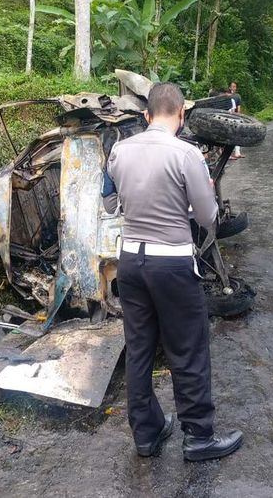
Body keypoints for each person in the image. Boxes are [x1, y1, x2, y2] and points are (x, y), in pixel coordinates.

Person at [102, 82, 243, 461]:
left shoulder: (118, 150)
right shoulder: (187, 155)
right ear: (181, 115)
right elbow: (207, 216)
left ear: (147, 115)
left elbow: (111, 204)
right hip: (173, 264)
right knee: (187, 349)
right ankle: (198, 437)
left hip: (130, 262)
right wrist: (205, 192)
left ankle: (146, 435)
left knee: (140, 348)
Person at [229, 81, 245, 159]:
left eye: (235, 86)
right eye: (232, 86)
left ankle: (237, 153)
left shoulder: (237, 96)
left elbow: (238, 107)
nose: (233, 88)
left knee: (237, 134)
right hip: (227, 117)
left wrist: (238, 116)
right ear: (229, 87)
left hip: (234, 117)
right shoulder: (226, 96)